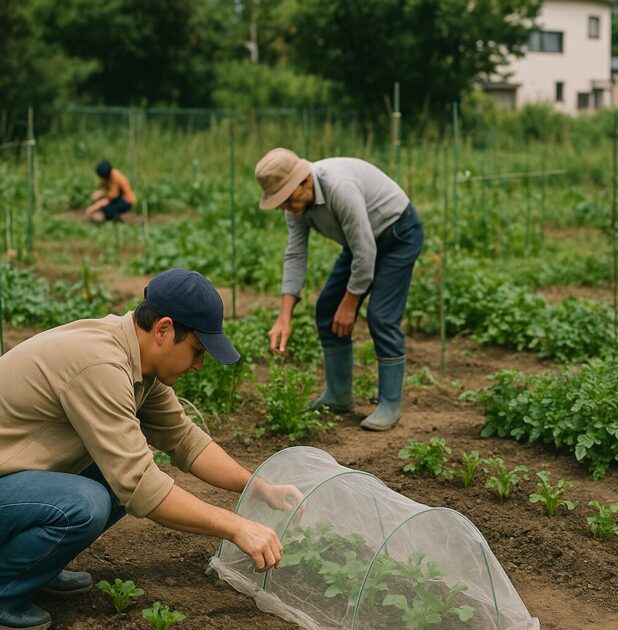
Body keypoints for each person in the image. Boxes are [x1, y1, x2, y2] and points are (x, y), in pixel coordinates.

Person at [0, 268, 299, 630]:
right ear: (164, 330)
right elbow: (141, 486)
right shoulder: (101, 364)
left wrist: (258, 487)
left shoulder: (136, 360)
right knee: (87, 502)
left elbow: (185, 440)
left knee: (109, 482)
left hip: (14, 477)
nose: (199, 365)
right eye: (196, 351)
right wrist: (236, 527)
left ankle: (37, 566)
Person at [254, 148, 424, 432]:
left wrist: (350, 303)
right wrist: (284, 316)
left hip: (398, 233)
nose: (286, 208)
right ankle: (339, 396)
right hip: (361, 242)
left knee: (381, 316)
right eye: (280, 203)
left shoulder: (339, 188)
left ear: (305, 181)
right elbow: (295, 255)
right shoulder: (295, 205)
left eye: (287, 199)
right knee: (327, 310)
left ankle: (390, 404)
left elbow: (366, 252)